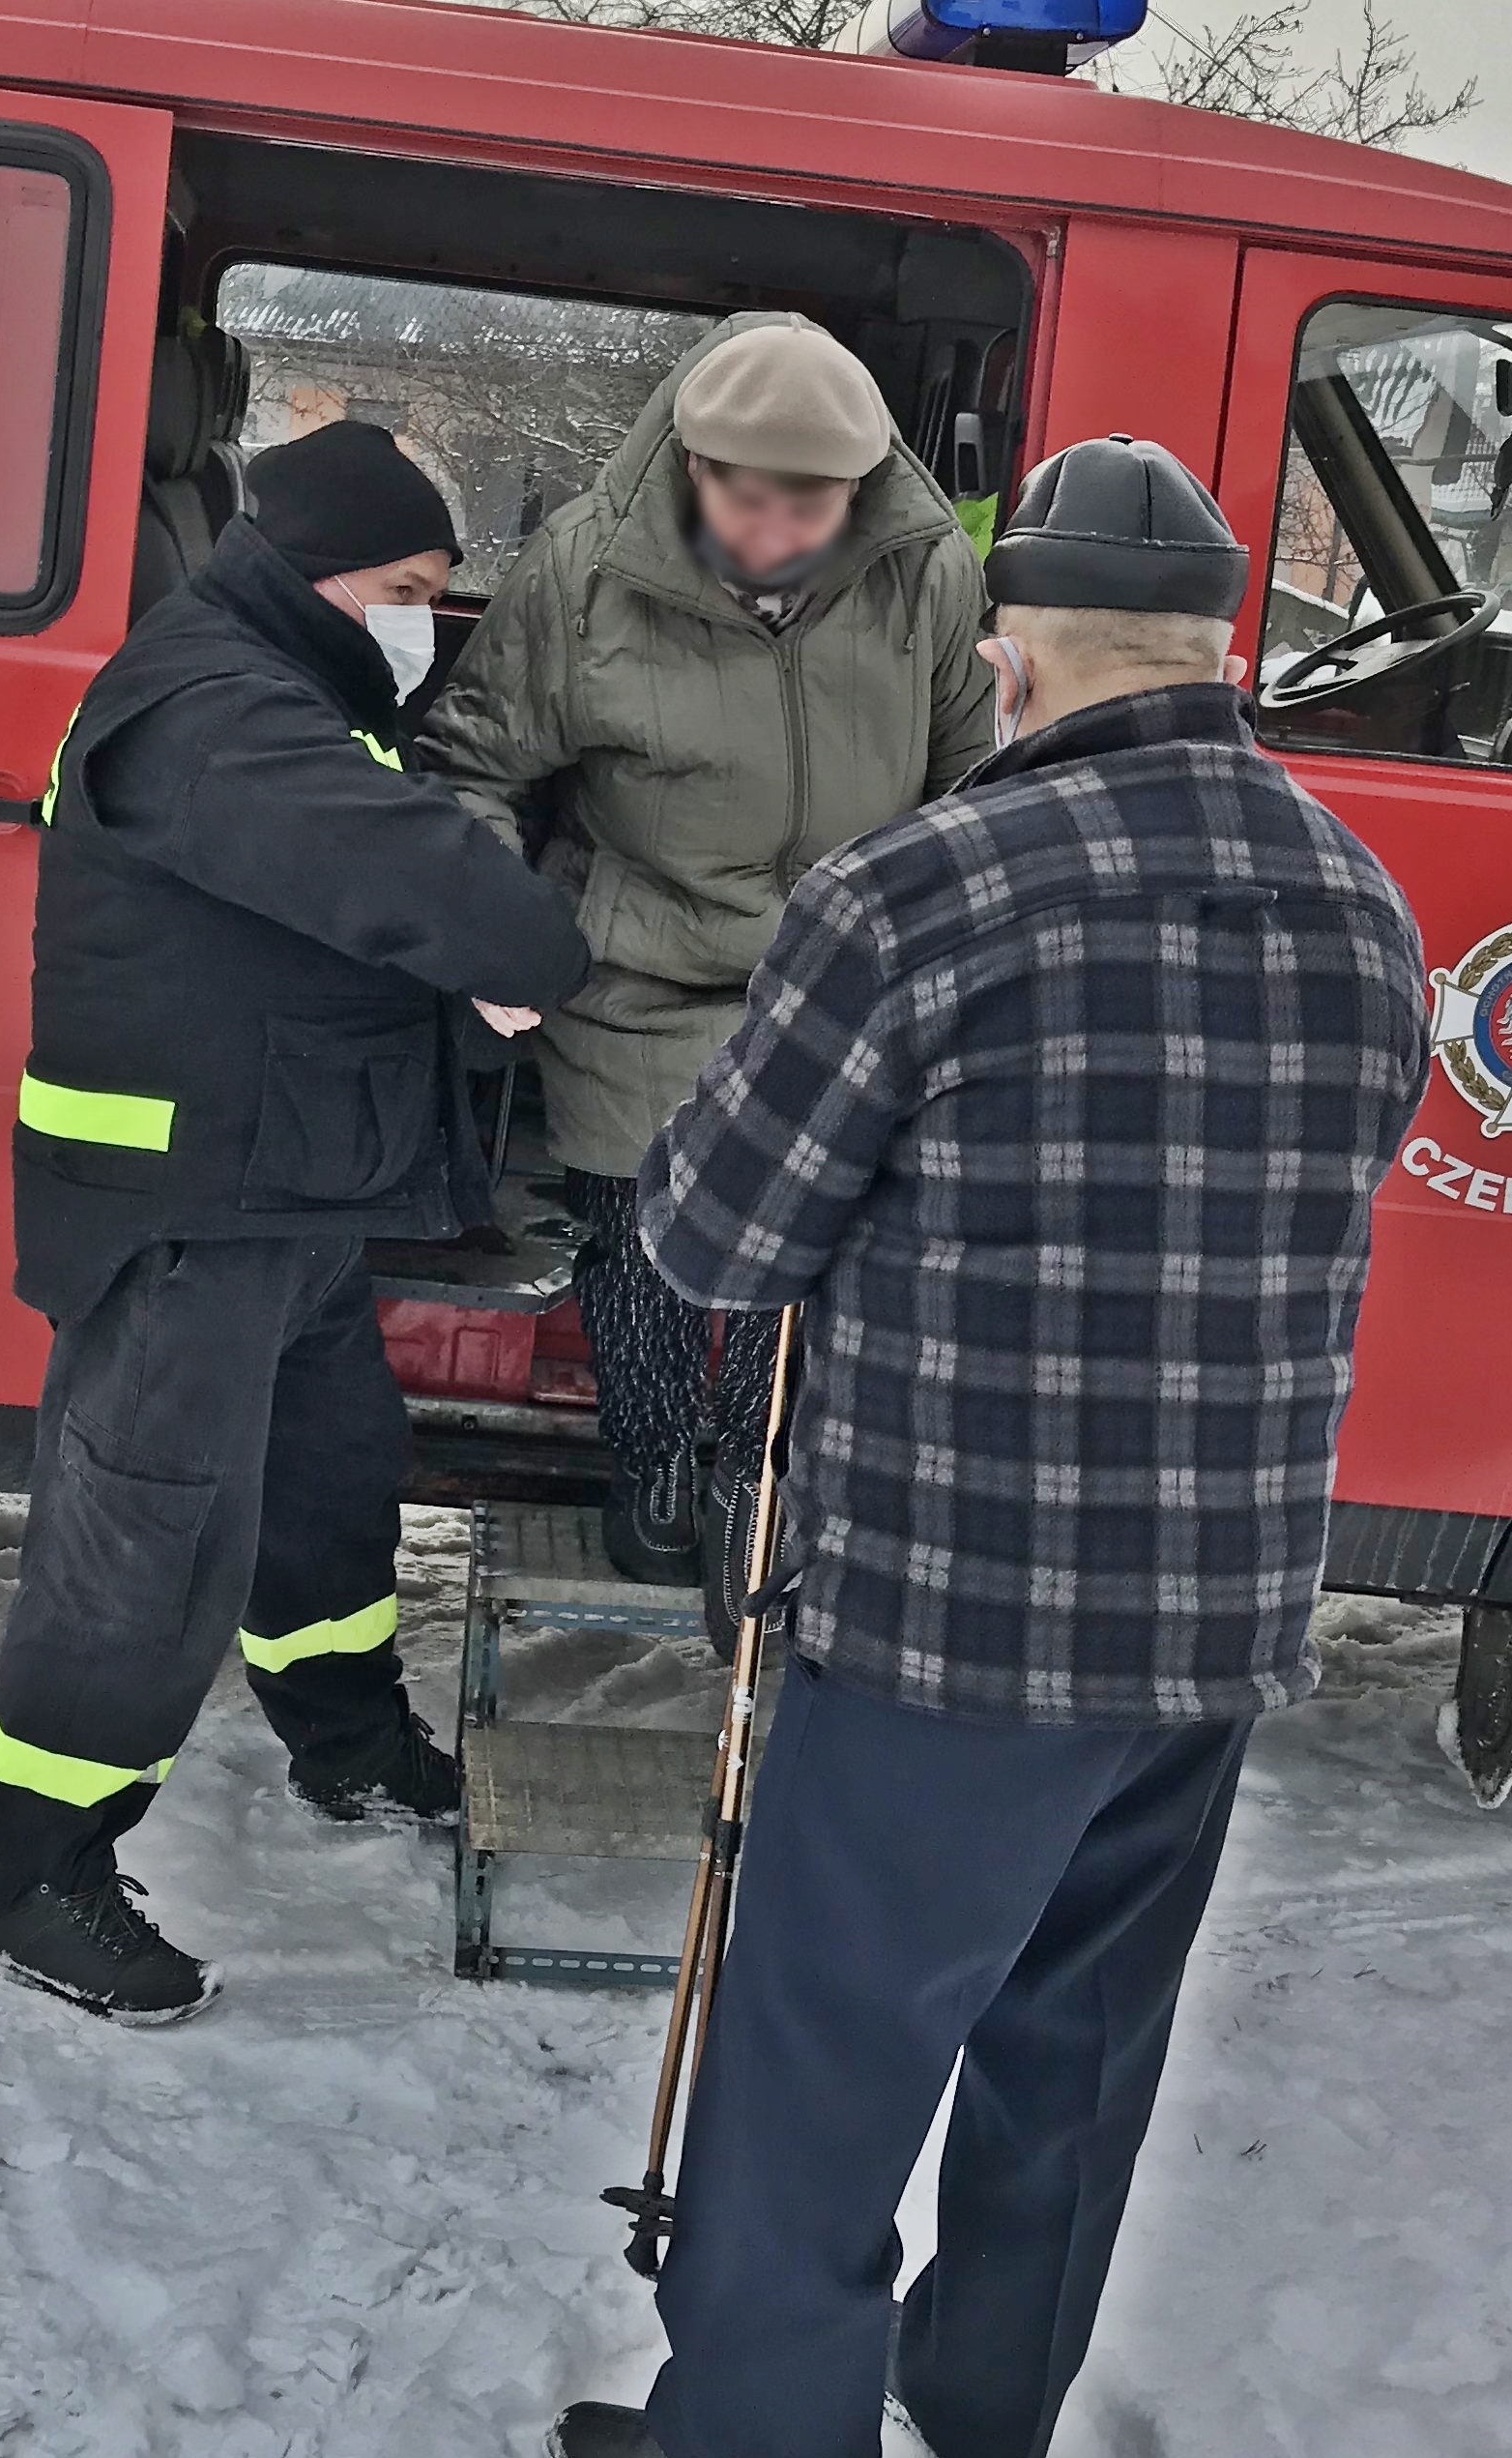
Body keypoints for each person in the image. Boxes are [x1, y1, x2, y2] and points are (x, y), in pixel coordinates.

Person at [541, 439, 1432, 2458]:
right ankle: (987, 2399)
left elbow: (719, 1241)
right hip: (1214, 1610)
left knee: (831, 2043)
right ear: (1216, 646)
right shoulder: (1362, 905)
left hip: (953, 1609)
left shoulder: (913, 895)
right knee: (1083, 2033)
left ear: (1014, 658)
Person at [0, 421, 591, 2025]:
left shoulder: (288, 688)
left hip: (279, 1190)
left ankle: (347, 1739)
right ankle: (43, 1873)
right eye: (407, 589)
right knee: (146, 1541)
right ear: (321, 571)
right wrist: (515, 943)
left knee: (330, 1480)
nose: (420, 623)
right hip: (185, 1205)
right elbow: (434, 888)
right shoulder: (216, 712)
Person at [423, 315, 991, 1620]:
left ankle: (756, 1471)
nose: (780, 530)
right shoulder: (581, 574)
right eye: (750, 498)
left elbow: (974, 770)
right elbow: (475, 768)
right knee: (651, 1238)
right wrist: (492, 922)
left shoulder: (927, 572)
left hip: (851, 980)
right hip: (642, 965)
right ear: (693, 462)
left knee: (818, 1254)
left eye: (815, 504)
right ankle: (653, 1471)